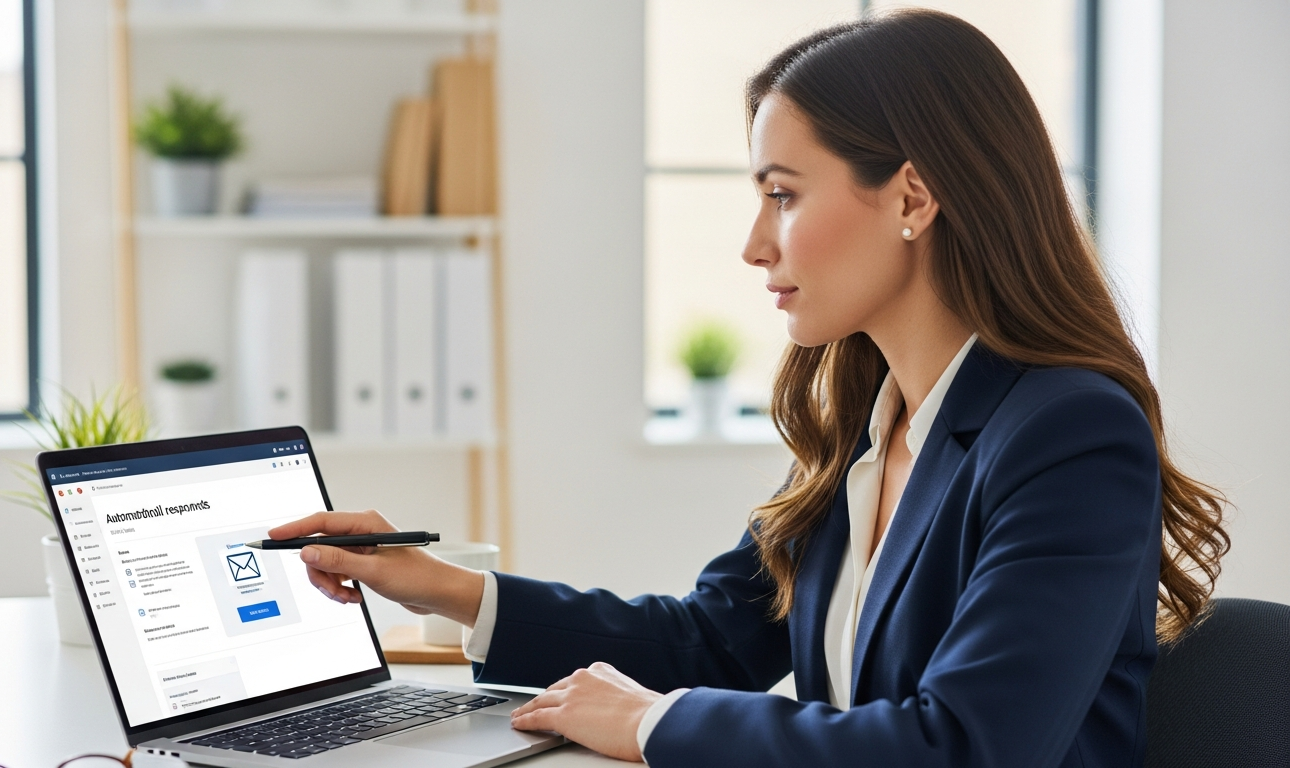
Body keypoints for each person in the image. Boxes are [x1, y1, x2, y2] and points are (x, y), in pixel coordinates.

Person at [269, 10, 1229, 766]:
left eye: (783, 193)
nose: (754, 243)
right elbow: (709, 642)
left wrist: (653, 726)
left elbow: (965, 747)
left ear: (911, 197)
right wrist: (441, 589)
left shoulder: (1068, 433)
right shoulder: (870, 420)